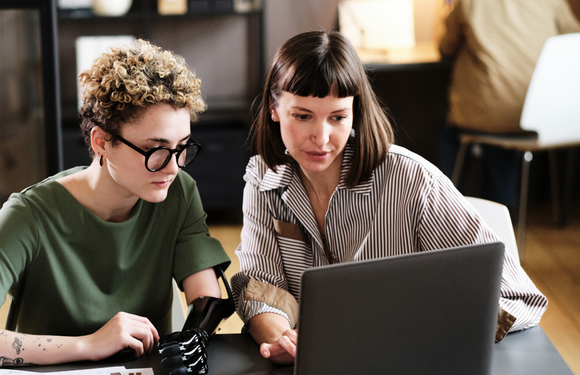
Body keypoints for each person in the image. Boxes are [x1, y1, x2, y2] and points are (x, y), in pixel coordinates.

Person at [230, 30, 548, 365]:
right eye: (302, 115)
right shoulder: (262, 179)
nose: (321, 138)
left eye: (337, 117)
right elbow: (262, 288)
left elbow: (518, 297)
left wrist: (427, 334)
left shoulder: (412, 180)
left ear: (355, 112)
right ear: (274, 109)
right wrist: (285, 342)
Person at [0, 39, 233, 369]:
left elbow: (205, 299)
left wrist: (194, 339)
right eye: (155, 149)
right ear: (101, 141)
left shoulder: (179, 192)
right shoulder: (28, 216)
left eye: (182, 148)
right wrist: (90, 345)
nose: (173, 166)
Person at [438, 0, 580, 209]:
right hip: (543, 117)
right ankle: (501, 205)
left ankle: (445, 206)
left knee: (452, 128)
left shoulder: (469, 2)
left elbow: (445, 47)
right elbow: (573, 39)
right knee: (501, 138)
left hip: (488, 115)